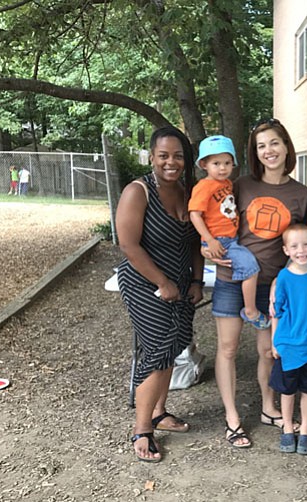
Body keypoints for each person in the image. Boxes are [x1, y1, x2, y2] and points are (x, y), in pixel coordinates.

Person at [206, 118, 307, 448]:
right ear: (255, 153)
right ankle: (232, 417)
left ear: (286, 147)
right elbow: (212, 217)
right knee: (227, 348)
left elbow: (304, 242)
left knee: (268, 350)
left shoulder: (301, 194)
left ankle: (269, 408)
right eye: (261, 146)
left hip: (271, 283)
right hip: (230, 279)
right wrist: (209, 248)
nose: (269, 151)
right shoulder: (238, 185)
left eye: (274, 143)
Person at [116, 126, 205, 463]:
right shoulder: (138, 191)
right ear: (152, 157)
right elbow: (128, 244)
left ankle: (159, 412)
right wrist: (162, 282)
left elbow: (194, 242)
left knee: (172, 346)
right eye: (164, 155)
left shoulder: (188, 192)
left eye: (178, 155)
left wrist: (195, 281)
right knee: (156, 349)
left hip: (180, 283)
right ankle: (142, 430)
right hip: (144, 282)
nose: (171, 161)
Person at [188, 135, 267, 330]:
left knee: (247, 267)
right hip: (220, 240)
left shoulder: (227, 184)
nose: (223, 168)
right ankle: (250, 310)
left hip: (232, 238)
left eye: (227, 162)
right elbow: (195, 215)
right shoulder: (203, 187)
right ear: (204, 164)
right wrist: (209, 241)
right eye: (216, 163)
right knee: (251, 268)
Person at [270, 224, 307, 455]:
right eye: (294, 246)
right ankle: (288, 428)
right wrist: (274, 341)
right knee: (288, 390)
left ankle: (305, 431)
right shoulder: (283, 277)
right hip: (288, 345)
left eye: (306, 244)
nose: (301, 250)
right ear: (286, 250)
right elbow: (276, 311)